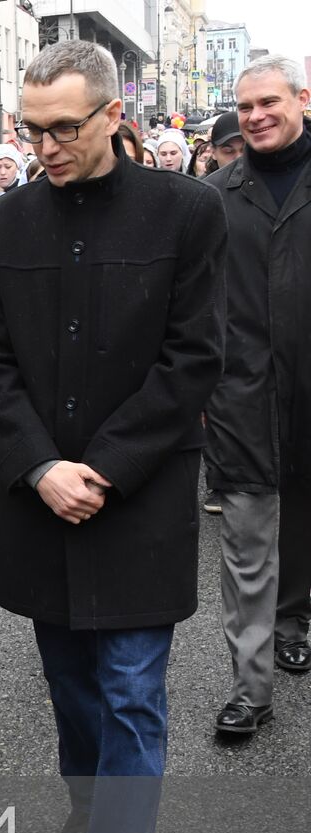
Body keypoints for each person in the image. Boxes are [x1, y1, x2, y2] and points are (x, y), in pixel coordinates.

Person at [0, 41, 225, 833]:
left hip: (140, 500)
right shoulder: (3, 224)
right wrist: (38, 467)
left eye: (64, 129)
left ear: (114, 116)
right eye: (32, 130)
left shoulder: (187, 211)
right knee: (75, 694)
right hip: (44, 503)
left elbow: (195, 357)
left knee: (129, 697)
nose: (45, 147)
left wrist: (102, 469)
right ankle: (93, 802)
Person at [204, 54, 311, 733]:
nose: (256, 116)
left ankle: (295, 616)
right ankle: (251, 689)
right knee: (246, 545)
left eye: (269, 102)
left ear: (303, 98)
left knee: (298, 526)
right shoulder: (215, 196)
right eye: (245, 107)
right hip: (241, 399)